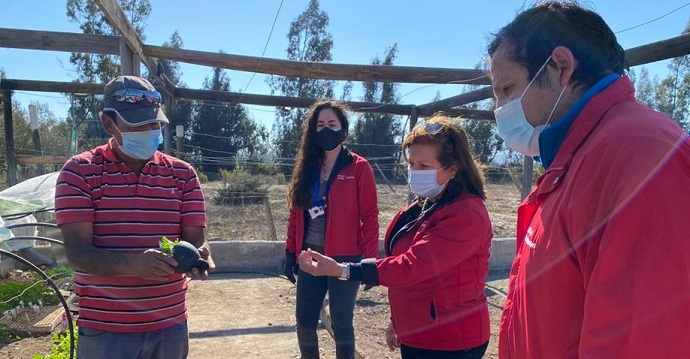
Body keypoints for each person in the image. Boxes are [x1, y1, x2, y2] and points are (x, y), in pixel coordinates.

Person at [488, 2, 690, 358]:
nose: (499, 109)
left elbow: (637, 344)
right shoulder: (581, 152)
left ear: (560, 66)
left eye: (506, 88)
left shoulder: (637, 155)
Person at [299, 115, 491, 359]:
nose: (414, 172)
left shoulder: (466, 214)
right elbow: (403, 265)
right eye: (411, 164)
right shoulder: (422, 207)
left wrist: (343, 270)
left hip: (450, 340)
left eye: (424, 166)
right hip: (418, 331)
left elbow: (412, 265)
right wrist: (397, 321)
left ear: (452, 169)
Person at [54, 75, 214, 359]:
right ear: (108, 123)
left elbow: (195, 241)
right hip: (107, 331)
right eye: (138, 124)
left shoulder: (184, 175)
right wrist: (133, 264)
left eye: (154, 123)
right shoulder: (79, 173)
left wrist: (200, 258)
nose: (150, 130)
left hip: (170, 326)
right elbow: (77, 254)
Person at [283, 100, 379, 359]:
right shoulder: (307, 166)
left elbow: (370, 217)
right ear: (313, 131)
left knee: (341, 324)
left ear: (344, 130)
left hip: (344, 259)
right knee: (304, 322)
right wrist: (291, 252)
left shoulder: (359, 168)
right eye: (321, 124)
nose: (326, 129)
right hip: (310, 257)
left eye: (332, 124)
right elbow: (295, 212)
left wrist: (370, 261)